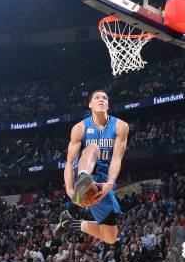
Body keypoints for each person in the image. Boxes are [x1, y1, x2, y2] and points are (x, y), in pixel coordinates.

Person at [54, 90, 129, 244]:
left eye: (104, 98)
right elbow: (68, 163)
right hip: (83, 168)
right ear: (90, 104)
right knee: (93, 147)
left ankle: (68, 222)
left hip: (102, 178)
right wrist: (69, 190)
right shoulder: (79, 128)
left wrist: (109, 185)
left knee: (110, 237)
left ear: (108, 104)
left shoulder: (121, 126)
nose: (101, 100)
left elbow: (116, 159)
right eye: (97, 98)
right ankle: (83, 177)